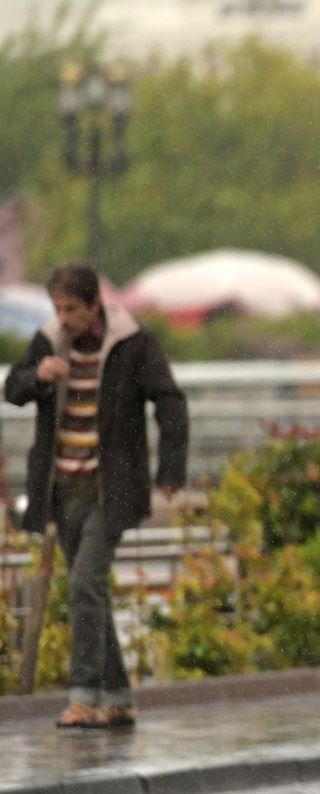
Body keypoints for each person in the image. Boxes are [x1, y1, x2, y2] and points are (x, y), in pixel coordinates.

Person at [5, 261, 188, 728]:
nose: (64, 318)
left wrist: (170, 470)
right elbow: (13, 389)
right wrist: (38, 374)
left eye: (71, 309)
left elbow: (170, 401)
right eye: (58, 309)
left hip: (112, 489)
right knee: (90, 591)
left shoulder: (133, 343)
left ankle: (84, 696)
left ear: (94, 305)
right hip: (61, 488)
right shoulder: (49, 340)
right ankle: (119, 697)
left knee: (85, 581)